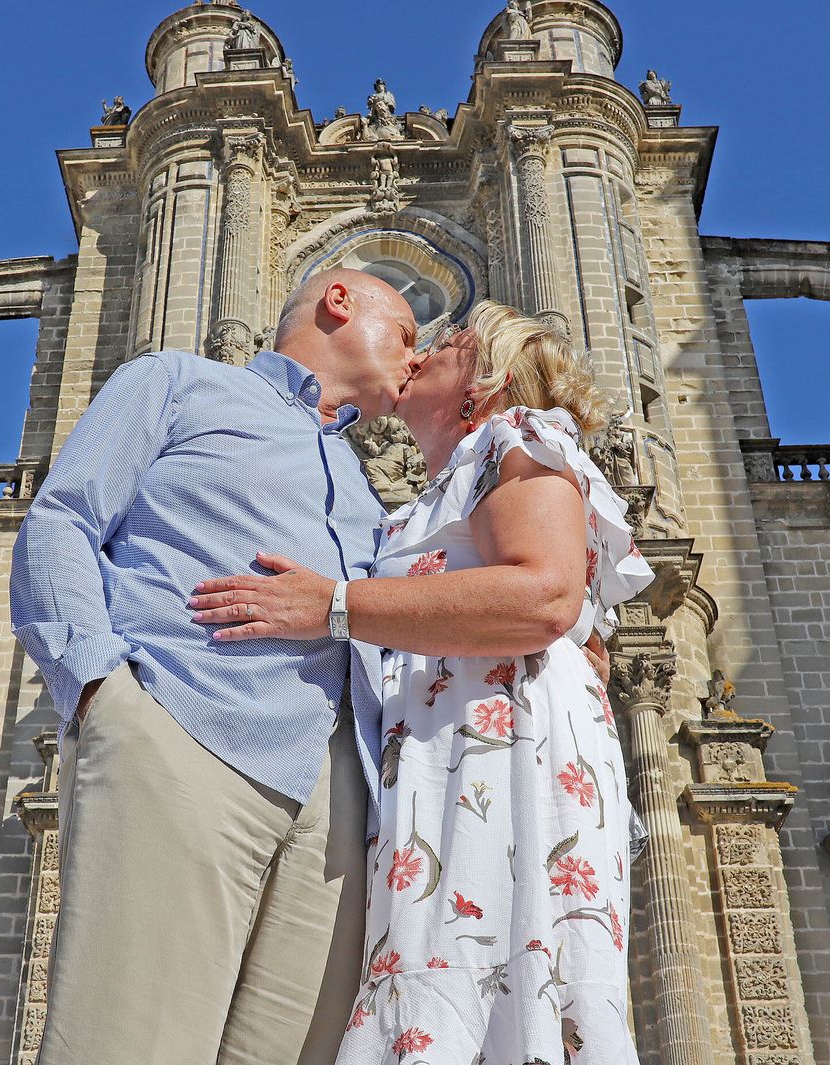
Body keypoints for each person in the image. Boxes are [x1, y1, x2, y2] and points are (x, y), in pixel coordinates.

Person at [191, 300, 654, 1064]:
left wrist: (333, 605)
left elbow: (544, 595)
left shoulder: (516, 436)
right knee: (445, 981)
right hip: (450, 761)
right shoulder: (447, 487)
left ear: (483, 379)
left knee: (496, 974)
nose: (420, 355)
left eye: (446, 344)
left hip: (502, 759)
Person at [10, 269, 415, 1065]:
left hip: (337, 803)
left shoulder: (369, 492)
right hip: (184, 733)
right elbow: (62, 519)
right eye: (405, 332)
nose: (416, 356)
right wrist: (103, 694)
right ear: (340, 300)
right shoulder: (176, 382)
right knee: (129, 1044)